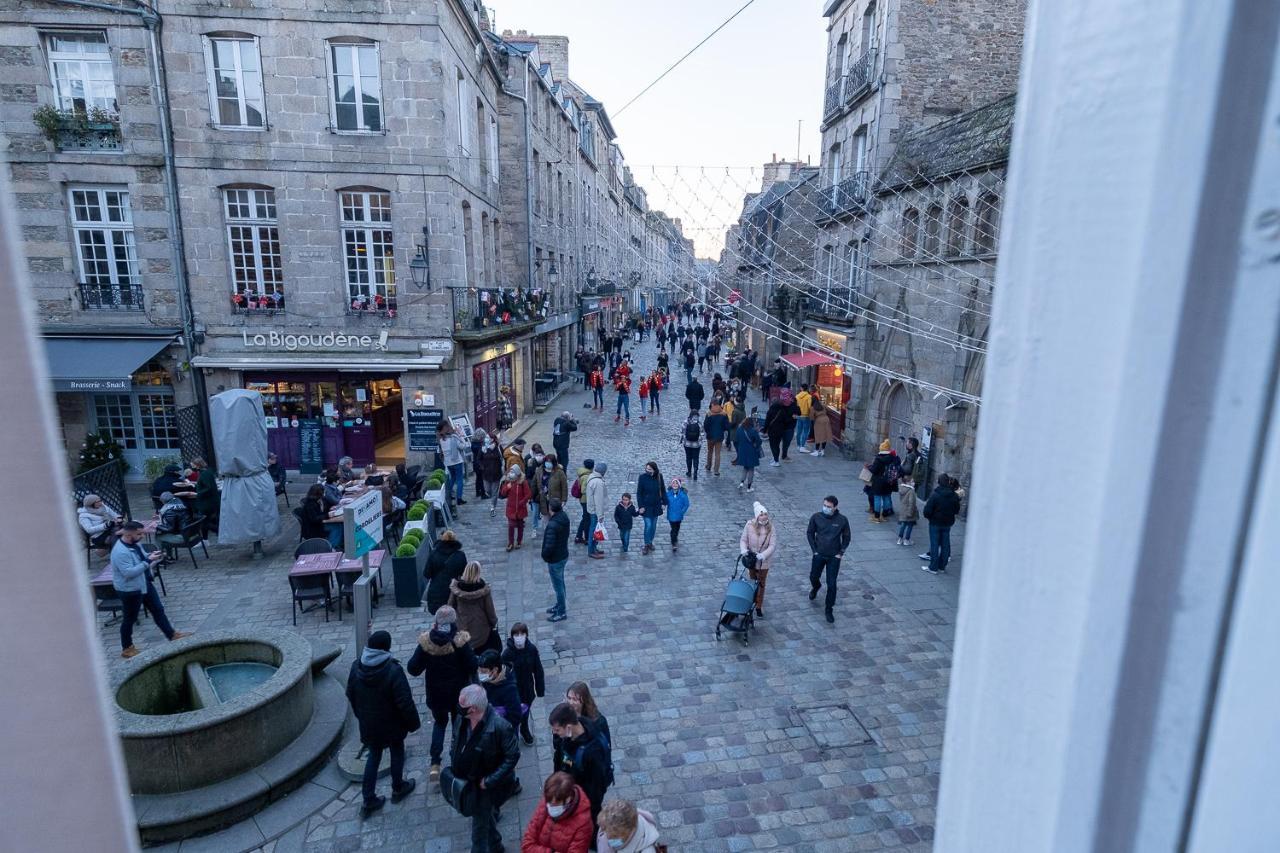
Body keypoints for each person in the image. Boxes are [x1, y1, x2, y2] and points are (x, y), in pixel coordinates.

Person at [346, 629, 419, 818]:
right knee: (396, 751)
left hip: (369, 723)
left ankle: (368, 799)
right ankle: (398, 787)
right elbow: (405, 702)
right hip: (392, 723)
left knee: (374, 756)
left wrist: (361, 715)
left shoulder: (356, 667)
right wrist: (413, 724)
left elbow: (350, 694)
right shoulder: (392, 670)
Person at [407, 605, 477, 782]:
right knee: (457, 727)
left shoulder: (426, 643)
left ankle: (435, 764)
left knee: (439, 724)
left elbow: (413, 668)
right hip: (457, 694)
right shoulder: (459, 641)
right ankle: (456, 760)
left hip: (436, 694)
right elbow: (472, 665)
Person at [451, 684, 521, 853]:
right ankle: (496, 845)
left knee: (478, 832)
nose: (458, 708)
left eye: (462, 705)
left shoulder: (500, 726)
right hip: (468, 779)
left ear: (473, 709)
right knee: (484, 818)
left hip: (486, 786)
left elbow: (512, 756)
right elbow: (455, 739)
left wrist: (489, 781)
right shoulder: (462, 718)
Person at [112, 520, 189, 658]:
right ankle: (127, 648)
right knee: (130, 618)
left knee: (158, 610)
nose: (142, 536)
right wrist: (148, 561)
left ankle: (172, 635)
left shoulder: (135, 544)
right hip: (130, 590)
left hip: (144, 583)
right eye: (139, 534)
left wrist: (154, 557)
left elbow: (143, 559)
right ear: (129, 534)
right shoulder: (120, 552)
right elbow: (129, 573)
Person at [550, 704, 613, 838]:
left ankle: (594, 839)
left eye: (557, 730)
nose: (555, 733)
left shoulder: (592, 752)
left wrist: (581, 805)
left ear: (568, 727)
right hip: (571, 789)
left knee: (591, 822)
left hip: (585, 799)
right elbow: (560, 758)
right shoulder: (569, 736)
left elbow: (596, 788)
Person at [521, 771, 595, 853]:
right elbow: (527, 845)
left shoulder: (583, 824)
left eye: (555, 804)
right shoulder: (548, 800)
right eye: (548, 802)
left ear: (568, 799)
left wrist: (536, 849)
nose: (549, 807)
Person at [807, 495, 852, 624]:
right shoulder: (816, 517)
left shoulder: (842, 520)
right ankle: (816, 587)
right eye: (824, 505)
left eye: (829, 507)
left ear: (835, 507)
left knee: (832, 584)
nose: (826, 508)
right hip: (819, 554)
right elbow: (810, 533)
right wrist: (814, 550)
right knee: (813, 576)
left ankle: (828, 609)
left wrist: (841, 552)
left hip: (834, 557)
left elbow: (847, 537)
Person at [502, 623, 546, 745]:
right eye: (516, 634)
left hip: (527, 688)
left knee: (525, 712)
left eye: (522, 634)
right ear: (512, 636)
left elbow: (538, 670)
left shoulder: (531, 650)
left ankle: (524, 729)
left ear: (526, 635)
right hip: (513, 690)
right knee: (513, 714)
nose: (519, 636)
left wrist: (540, 689)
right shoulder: (507, 654)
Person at [448, 560, 500, 653]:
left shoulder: (456, 589)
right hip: (481, 630)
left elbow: (450, 607)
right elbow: (490, 610)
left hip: (462, 627)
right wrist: (493, 623)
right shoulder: (483, 590)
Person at [739, 501, 777, 618]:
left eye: (765, 514)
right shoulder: (749, 525)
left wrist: (764, 555)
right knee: (752, 581)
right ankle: (751, 601)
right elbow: (743, 539)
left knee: (761, 583)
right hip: (752, 560)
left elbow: (772, 545)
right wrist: (744, 550)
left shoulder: (771, 528)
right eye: (761, 514)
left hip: (763, 562)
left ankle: (759, 605)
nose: (764, 516)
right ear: (757, 516)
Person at [922, 474, 962, 575]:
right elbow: (956, 510)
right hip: (947, 522)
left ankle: (933, 567)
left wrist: (930, 517)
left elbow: (927, 510)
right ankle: (942, 566)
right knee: (945, 544)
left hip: (935, 523)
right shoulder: (954, 495)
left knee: (935, 544)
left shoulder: (935, 495)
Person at [424, 529, 467, 614]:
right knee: (454, 617)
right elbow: (464, 574)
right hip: (454, 592)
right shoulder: (460, 555)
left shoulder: (434, 554)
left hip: (436, 593)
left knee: (439, 618)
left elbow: (427, 574)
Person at [542, 497, 571, 622]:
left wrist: (545, 556)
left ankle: (561, 611)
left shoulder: (553, 525)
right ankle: (559, 605)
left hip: (555, 559)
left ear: (551, 509)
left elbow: (549, 545)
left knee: (558, 586)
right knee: (561, 583)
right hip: (563, 554)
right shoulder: (564, 517)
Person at [596, 799, 663, 853]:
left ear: (627, 832)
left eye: (613, 836)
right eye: (603, 827)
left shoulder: (647, 851)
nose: (605, 835)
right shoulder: (608, 823)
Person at [478, 649, 525, 725]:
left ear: (495, 670)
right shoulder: (487, 680)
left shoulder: (510, 689)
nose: (480, 674)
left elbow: (515, 716)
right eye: (479, 671)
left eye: (483, 672)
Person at [635, 462, 666, 555]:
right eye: (646, 469)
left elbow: (663, 490)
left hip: (656, 505)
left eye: (649, 469)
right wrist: (641, 506)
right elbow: (639, 493)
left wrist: (664, 502)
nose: (647, 471)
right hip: (646, 506)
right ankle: (646, 544)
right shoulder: (642, 477)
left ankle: (650, 541)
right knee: (648, 525)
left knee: (653, 526)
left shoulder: (659, 477)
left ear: (654, 470)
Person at [533, 452, 569, 533]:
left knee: (555, 518)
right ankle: (548, 532)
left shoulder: (559, 472)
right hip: (543, 499)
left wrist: (564, 500)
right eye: (546, 462)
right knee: (545, 518)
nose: (548, 464)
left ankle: (555, 532)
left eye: (550, 462)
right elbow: (535, 483)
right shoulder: (539, 471)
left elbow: (564, 487)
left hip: (555, 500)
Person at [499, 464, 532, 552]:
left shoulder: (523, 482)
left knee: (520, 526)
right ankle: (510, 543)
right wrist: (507, 487)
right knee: (511, 526)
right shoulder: (508, 482)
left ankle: (519, 541)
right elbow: (503, 493)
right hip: (511, 508)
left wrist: (522, 502)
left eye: (512, 472)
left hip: (520, 509)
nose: (510, 473)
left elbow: (528, 494)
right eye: (510, 471)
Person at [868, 439, 900, 522]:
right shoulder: (893, 458)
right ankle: (885, 515)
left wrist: (869, 467)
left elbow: (874, 470)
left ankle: (877, 516)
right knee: (886, 497)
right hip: (889, 481)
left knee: (877, 498)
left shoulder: (878, 459)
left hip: (878, 481)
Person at [762, 391, 795, 467]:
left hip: (772, 431)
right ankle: (775, 458)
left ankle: (776, 461)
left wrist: (764, 430)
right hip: (780, 431)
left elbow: (767, 421)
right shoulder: (782, 410)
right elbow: (786, 420)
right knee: (777, 445)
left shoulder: (770, 410)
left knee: (773, 446)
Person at [439, 421, 468, 505]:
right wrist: (461, 436)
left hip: (448, 463)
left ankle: (448, 494)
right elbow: (463, 446)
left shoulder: (441, 439)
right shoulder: (453, 438)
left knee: (453, 478)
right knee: (460, 480)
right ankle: (459, 498)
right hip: (457, 461)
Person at [584, 461, 609, 560]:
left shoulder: (592, 476)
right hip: (595, 510)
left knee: (593, 529)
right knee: (594, 531)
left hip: (591, 508)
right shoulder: (598, 482)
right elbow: (598, 500)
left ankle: (594, 548)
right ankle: (591, 551)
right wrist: (600, 515)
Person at [191, 457, 220, 536]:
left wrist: (198, 493)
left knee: (204, 521)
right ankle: (207, 537)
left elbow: (209, 487)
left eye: (192, 464)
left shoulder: (204, 473)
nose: (191, 466)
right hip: (209, 501)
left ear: (197, 465)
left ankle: (217, 532)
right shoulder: (206, 472)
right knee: (207, 520)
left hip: (207, 502)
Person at [734, 416, 763, 492]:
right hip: (751, 451)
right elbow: (759, 441)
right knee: (751, 469)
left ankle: (741, 483)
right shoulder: (753, 431)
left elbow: (736, 440)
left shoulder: (739, 429)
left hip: (742, 451)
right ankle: (749, 487)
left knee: (745, 467)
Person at [703, 401, 729, 476]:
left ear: (712, 405)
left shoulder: (709, 414)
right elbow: (726, 426)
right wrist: (722, 430)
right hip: (719, 436)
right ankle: (716, 470)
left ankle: (708, 466)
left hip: (710, 436)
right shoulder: (724, 414)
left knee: (710, 451)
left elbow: (705, 425)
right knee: (718, 453)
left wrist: (708, 432)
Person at [665, 476, 690, 553]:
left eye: (676, 483)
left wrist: (682, 512)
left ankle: (675, 538)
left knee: (677, 528)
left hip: (679, 516)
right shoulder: (668, 494)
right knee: (673, 529)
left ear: (679, 485)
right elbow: (664, 501)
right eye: (673, 483)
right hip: (671, 515)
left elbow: (686, 504)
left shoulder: (683, 494)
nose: (675, 484)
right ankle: (674, 542)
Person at [573, 459, 594, 545]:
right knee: (587, 519)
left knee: (585, 518)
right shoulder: (587, 476)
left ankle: (579, 536)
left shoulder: (583, 473)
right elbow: (583, 490)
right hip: (586, 500)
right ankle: (586, 538)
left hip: (583, 500)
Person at [897, 473, 920, 547]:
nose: (914, 483)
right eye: (912, 481)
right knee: (910, 525)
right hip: (909, 511)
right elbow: (912, 503)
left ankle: (900, 539)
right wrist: (910, 512)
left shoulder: (901, 488)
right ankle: (907, 540)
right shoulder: (911, 491)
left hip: (903, 509)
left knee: (903, 524)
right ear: (908, 482)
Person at [680, 412, 701, 480]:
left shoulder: (685, 422)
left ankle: (689, 471)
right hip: (696, 445)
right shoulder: (699, 423)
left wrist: (683, 440)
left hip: (687, 444)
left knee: (688, 457)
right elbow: (702, 434)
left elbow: (682, 432)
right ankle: (695, 473)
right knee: (696, 458)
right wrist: (699, 441)